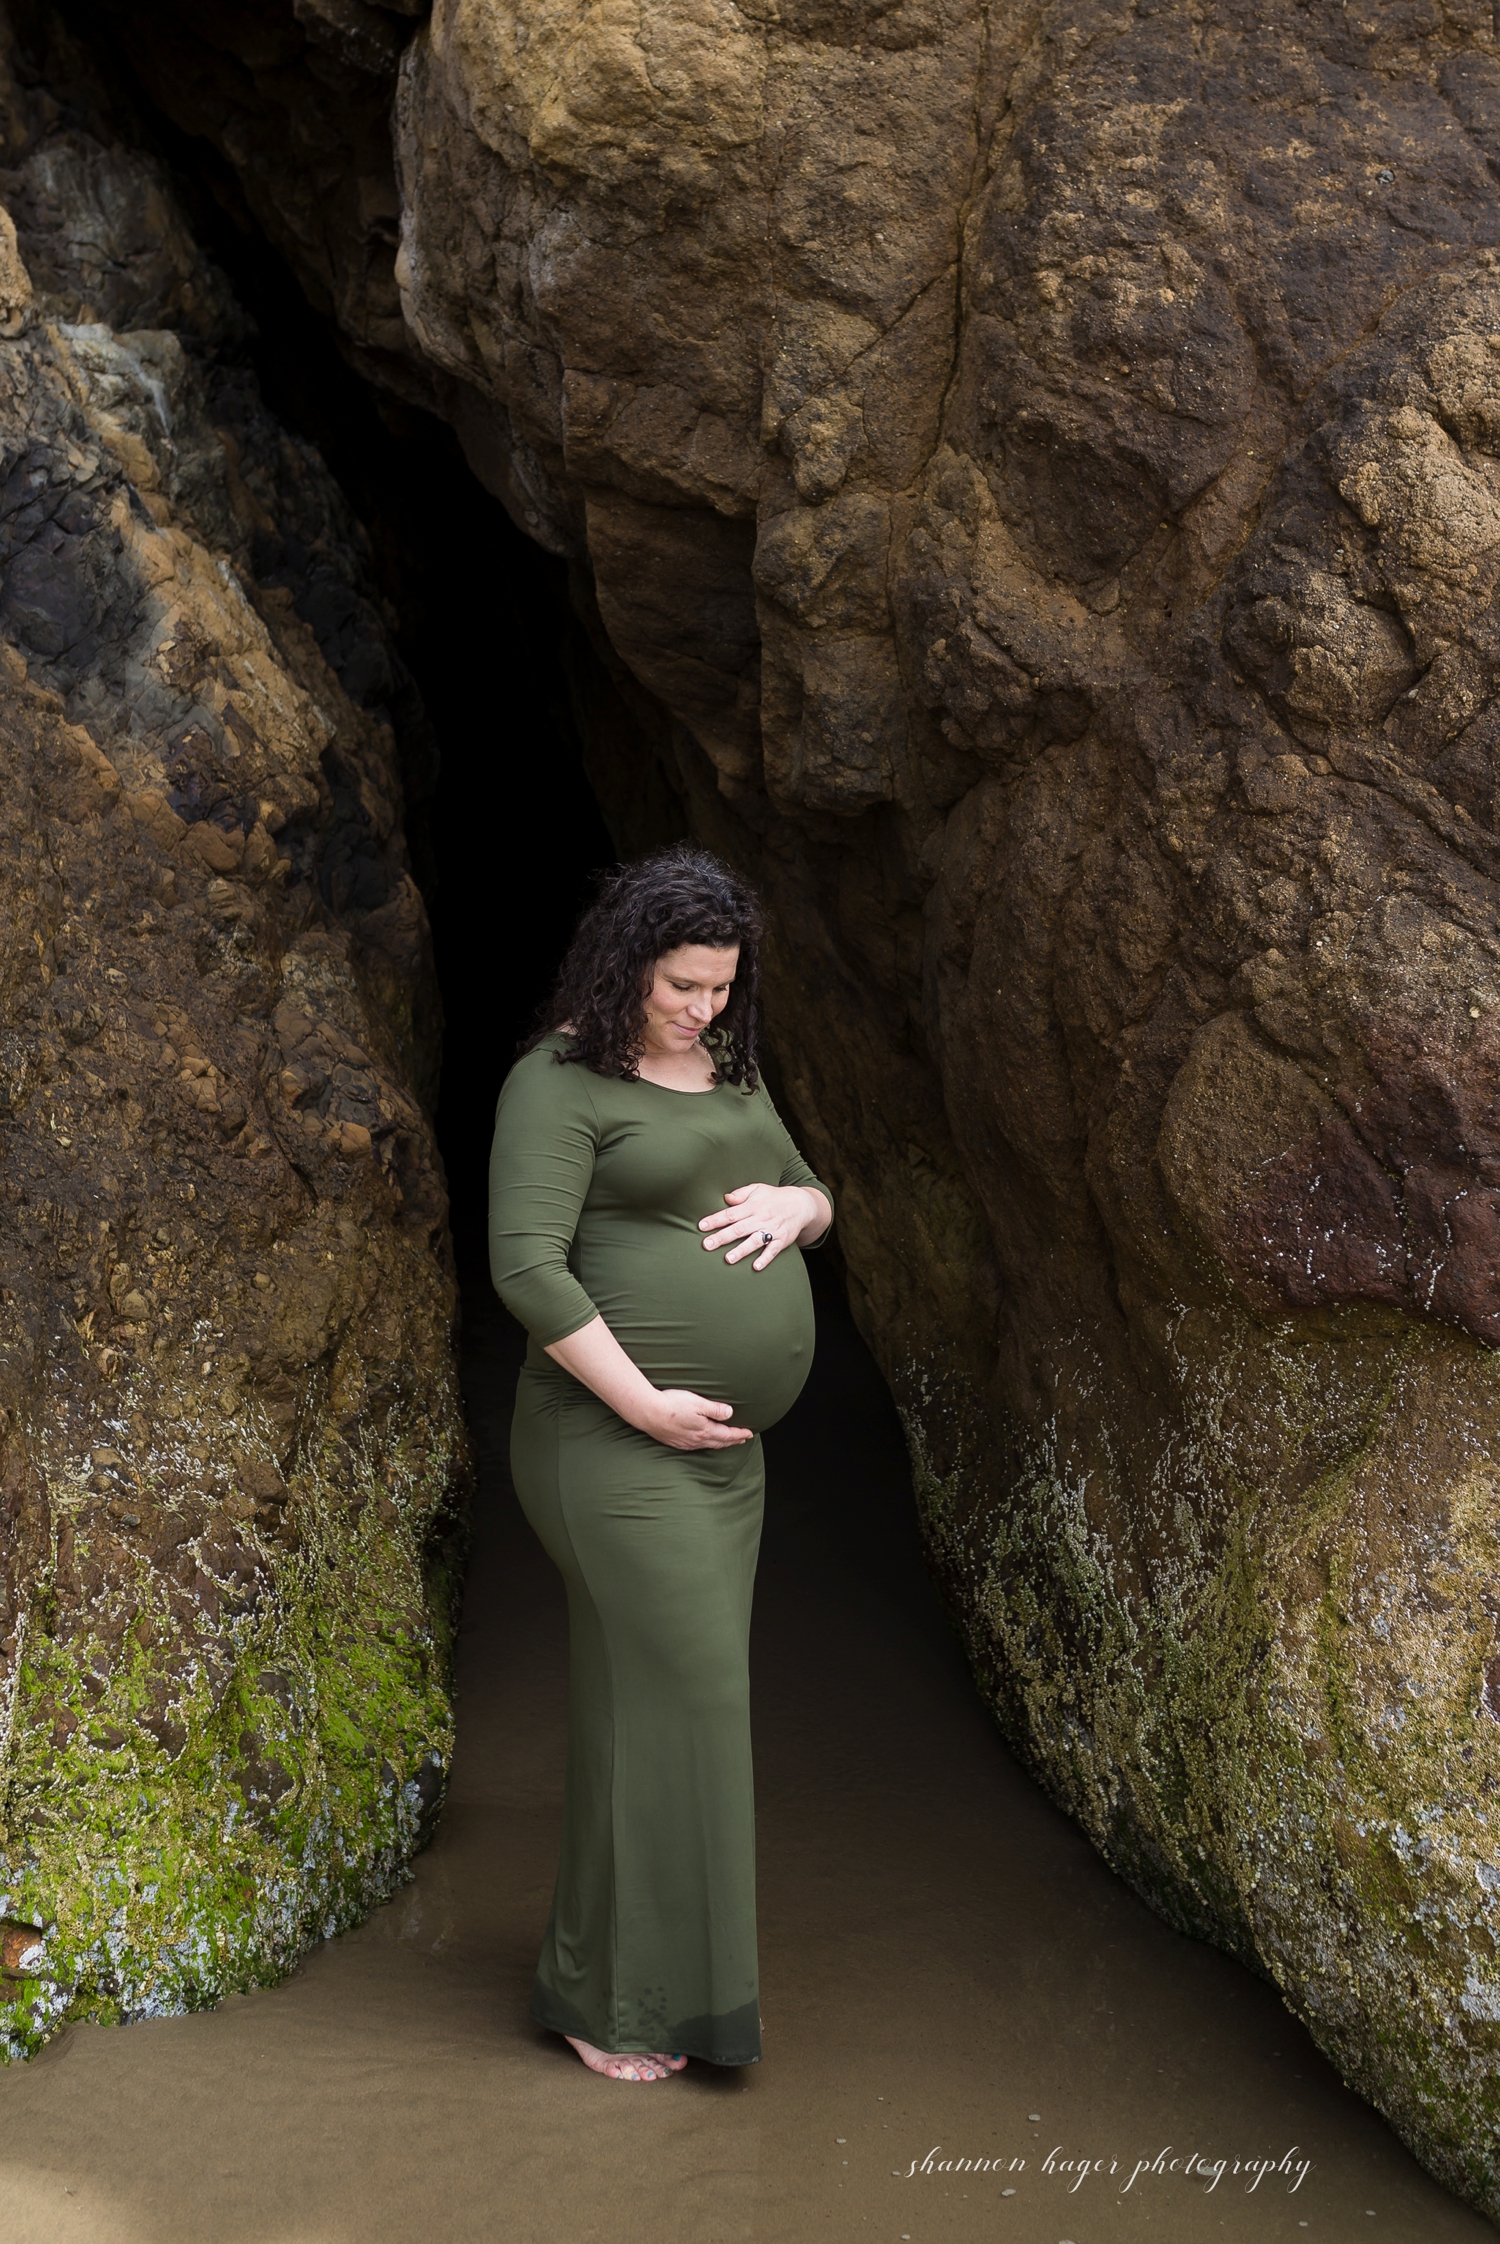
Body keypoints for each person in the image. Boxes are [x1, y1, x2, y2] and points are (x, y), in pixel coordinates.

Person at [488, 844, 833, 2084]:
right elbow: (526, 1267)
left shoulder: (727, 1063)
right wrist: (644, 1404)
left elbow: (802, 1184)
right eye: (683, 986)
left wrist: (804, 1212)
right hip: (607, 1439)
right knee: (676, 1700)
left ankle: (667, 1987)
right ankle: (614, 2000)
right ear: (629, 960)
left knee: (671, 1705)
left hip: (717, 1455)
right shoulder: (559, 1080)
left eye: (722, 986)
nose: (703, 1009)